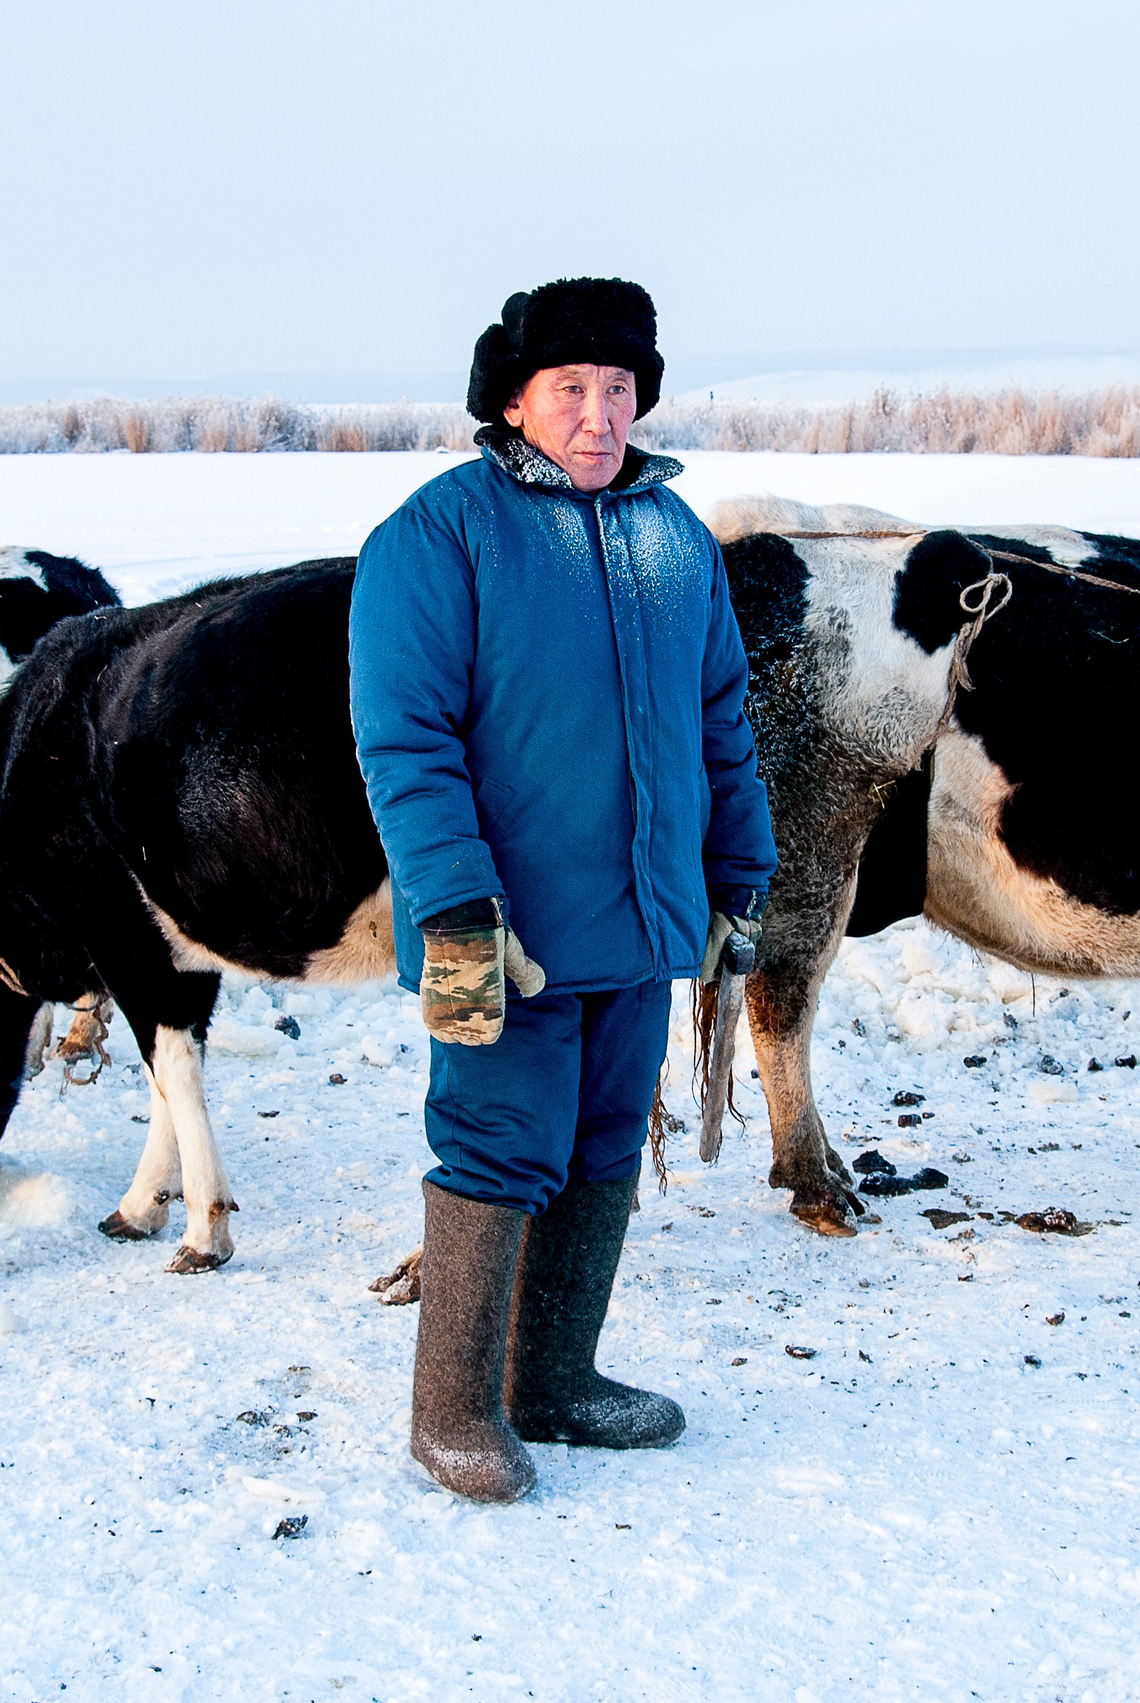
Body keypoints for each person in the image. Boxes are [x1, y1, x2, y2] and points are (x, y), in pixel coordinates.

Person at [349, 278, 777, 1502]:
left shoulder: (673, 538)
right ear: (515, 397)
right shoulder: (438, 537)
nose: (599, 418)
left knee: (599, 1144)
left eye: (619, 391)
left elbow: (720, 725)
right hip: (503, 931)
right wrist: (458, 911)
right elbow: (406, 742)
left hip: (638, 926)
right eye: (572, 390)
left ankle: (556, 1381)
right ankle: (451, 1413)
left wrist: (737, 878)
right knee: (494, 1142)